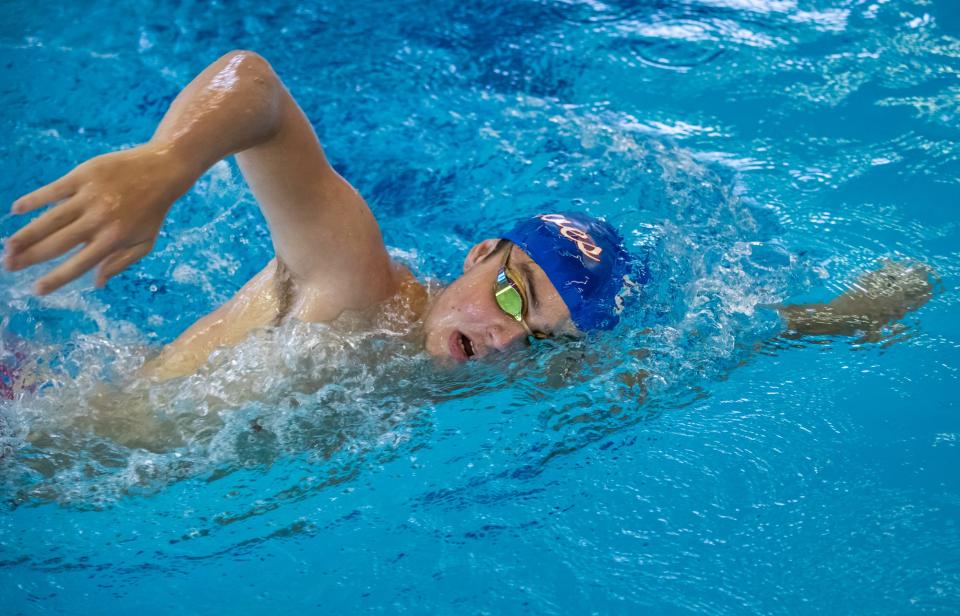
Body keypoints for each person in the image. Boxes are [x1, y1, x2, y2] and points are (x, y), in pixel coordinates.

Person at [3, 51, 935, 383]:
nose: (503, 337)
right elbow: (258, 89)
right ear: (481, 250)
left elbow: (699, 346)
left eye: (542, 336)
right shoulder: (358, 285)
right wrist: (167, 167)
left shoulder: (501, 360)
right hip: (44, 436)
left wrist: (835, 319)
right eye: (513, 289)